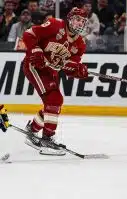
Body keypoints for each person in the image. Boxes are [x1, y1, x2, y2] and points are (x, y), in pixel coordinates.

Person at [22, 7, 89, 156]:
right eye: (77, 19)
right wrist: (36, 51)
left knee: (55, 102)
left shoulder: (80, 45)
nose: (80, 23)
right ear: (69, 19)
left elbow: (69, 67)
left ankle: (32, 130)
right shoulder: (54, 25)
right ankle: (47, 139)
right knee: (54, 99)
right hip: (34, 65)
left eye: (83, 21)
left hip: (50, 71)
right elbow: (29, 34)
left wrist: (79, 71)